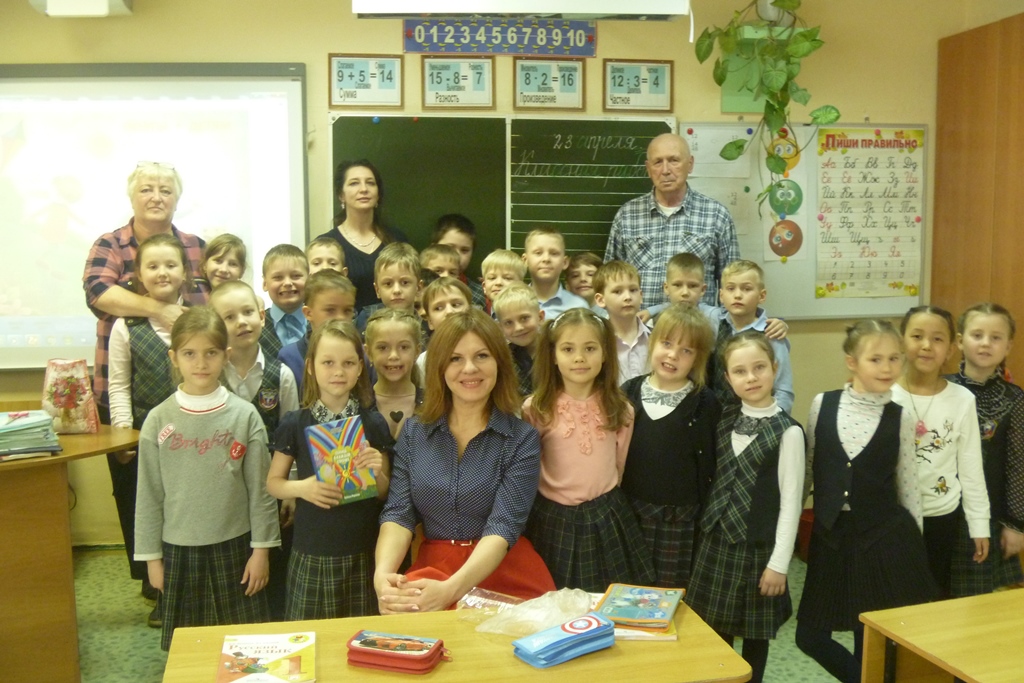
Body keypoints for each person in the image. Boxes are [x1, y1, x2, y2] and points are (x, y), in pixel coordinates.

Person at [82, 161, 206, 608]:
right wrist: (158, 309)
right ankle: (153, 583)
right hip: (127, 395)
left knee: (189, 493)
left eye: (166, 189)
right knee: (136, 494)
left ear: (177, 197)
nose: (157, 196)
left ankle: (190, 573)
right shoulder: (110, 244)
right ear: (132, 196)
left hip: (194, 396)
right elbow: (98, 292)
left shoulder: (196, 246)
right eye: (147, 189)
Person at [375, 309, 555, 612]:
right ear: (439, 367)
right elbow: (398, 513)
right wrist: (383, 576)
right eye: (455, 358)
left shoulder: (521, 438)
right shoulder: (414, 433)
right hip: (433, 571)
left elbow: (503, 526)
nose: (469, 368)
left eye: (482, 356)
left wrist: (451, 591)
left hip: (504, 570)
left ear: (499, 363)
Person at [796, 320, 937, 683]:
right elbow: (809, 469)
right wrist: (789, 528)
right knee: (809, 636)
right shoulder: (822, 404)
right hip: (830, 537)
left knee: (870, 641)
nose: (887, 367)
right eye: (876, 359)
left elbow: (908, 484)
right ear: (852, 362)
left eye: (895, 358)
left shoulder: (900, 416)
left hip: (882, 538)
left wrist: (915, 552)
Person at [134, 307, 280, 651]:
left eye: (211, 353)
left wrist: (261, 551)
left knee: (243, 648)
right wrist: (152, 560)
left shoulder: (245, 416)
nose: (201, 363)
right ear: (174, 357)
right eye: (189, 354)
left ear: (226, 356)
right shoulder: (158, 420)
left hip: (236, 548)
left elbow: (261, 492)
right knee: (191, 651)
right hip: (178, 551)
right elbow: (149, 495)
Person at [686, 331, 803, 683]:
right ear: (727, 378)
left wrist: (779, 564)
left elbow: (791, 504)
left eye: (759, 368)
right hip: (716, 542)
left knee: (754, 637)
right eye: (740, 371)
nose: (751, 378)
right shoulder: (723, 419)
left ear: (775, 368)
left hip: (758, 549)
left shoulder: (788, 432)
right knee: (714, 633)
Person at [267, 320, 394, 619]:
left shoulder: (373, 423)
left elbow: (383, 493)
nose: (338, 371)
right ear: (310, 367)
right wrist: (302, 488)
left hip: (363, 549)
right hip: (312, 548)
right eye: (328, 362)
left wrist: (377, 471)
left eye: (348, 363)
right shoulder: (295, 423)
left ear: (361, 367)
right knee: (310, 634)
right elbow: (273, 483)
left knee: (360, 634)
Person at [523, 308, 653, 592]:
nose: (579, 357)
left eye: (590, 348)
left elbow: (620, 464)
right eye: (568, 349)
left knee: (611, 596)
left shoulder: (621, 409)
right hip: (553, 519)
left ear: (605, 353)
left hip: (606, 516)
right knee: (555, 597)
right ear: (553, 355)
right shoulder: (536, 409)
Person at [106, 233, 192, 627]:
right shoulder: (126, 326)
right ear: (138, 274)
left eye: (171, 265)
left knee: (185, 513)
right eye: (152, 266)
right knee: (154, 513)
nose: (162, 272)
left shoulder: (196, 320)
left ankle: (187, 585)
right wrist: (124, 432)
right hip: (148, 440)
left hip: (194, 439)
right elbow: (119, 385)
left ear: (185, 272)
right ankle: (162, 592)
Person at [210, 279, 300, 621]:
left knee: (272, 563)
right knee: (233, 564)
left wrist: (291, 488)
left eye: (248, 312)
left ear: (262, 316)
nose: (241, 322)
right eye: (229, 317)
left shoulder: (282, 375)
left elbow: (291, 438)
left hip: (270, 488)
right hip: (224, 488)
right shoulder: (211, 374)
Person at [891, 306, 990, 596]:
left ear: (950, 348)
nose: (926, 345)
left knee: (933, 594)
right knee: (892, 596)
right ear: (901, 341)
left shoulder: (962, 399)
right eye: (917, 336)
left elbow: (971, 468)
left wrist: (979, 524)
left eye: (937, 339)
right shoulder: (885, 394)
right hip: (892, 516)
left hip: (941, 515)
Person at [620, 303, 719, 589]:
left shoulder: (705, 403)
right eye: (666, 343)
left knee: (670, 592)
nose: (673, 355)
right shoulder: (628, 393)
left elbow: (711, 463)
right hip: (631, 511)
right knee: (630, 590)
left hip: (680, 519)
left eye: (686, 350)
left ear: (698, 359)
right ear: (652, 343)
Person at [605, 133, 739, 308]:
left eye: (674, 160)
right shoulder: (627, 216)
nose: (665, 170)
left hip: (696, 324)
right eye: (657, 162)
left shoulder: (717, 215)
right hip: (640, 324)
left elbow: (732, 284)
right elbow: (609, 279)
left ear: (690, 164)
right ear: (648, 168)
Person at [946, 303, 1023, 595]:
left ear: (1008, 346)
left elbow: (1018, 465)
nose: (986, 343)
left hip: (990, 514)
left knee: (976, 602)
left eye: (996, 337)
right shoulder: (942, 388)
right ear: (959, 341)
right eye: (977, 335)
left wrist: (1015, 524)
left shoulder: (1014, 398)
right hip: (942, 510)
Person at [317, 159, 408, 314]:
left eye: (370, 183)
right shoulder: (326, 245)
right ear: (341, 195)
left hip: (395, 324)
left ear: (378, 194)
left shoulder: (397, 239)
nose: (364, 189)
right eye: (354, 183)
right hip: (344, 326)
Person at [709, 260, 795, 414]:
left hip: (760, 417)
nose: (737, 295)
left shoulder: (772, 334)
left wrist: (774, 422)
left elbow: (783, 390)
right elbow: (685, 305)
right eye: (730, 288)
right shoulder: (714, 321)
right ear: (721, 295)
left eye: (747, 289)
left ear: (761, 296)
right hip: (719, 418)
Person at [278, 269, 357, 393]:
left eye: (347, 311)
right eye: (330, 310)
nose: (341, 318)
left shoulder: (360, 354)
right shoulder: (289, 357)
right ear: (308, 313)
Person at [365, 308, 424, 439]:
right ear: (368, 353)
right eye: (383, 348)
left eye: (404, 347)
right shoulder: (359, 407)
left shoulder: (433, 405)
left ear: (417, 351)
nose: (393, 356)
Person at [593, 260, 651, 384]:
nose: (628, 297)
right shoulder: (596, 342)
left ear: (641, 296)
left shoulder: (656, 338)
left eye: (633, 290)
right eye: (617, 291)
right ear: (601, 300)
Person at [353, 242, 422, 332]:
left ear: (418, 287)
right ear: (377, 290)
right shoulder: (366, 319)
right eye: (388, 284)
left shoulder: (426, 328)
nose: (396, 290)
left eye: (405, 282)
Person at [522, 227, 589, 318]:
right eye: (538, 253)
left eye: (554, 253)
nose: (546, 259)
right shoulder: (511, 304)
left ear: (564, 262)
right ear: (525, 260)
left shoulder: (578, 307)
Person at [493, 284, 545, 396]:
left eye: (524, 318)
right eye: (508, 323)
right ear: (500, 327)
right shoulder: (503, 359)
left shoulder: (557, 350)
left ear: (540, 317)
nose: (518, 328)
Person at [259, 244, 309, 357]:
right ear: (265, 284)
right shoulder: (256, 326)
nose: (287, 283)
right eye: (278, 277)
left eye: (296, 276)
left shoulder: (320, 322)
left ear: (309, 280)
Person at [433, 213, 486, 309]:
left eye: (464, 250)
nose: (457, 256)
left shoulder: (479, 295)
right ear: (433, 248)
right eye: (449, 248)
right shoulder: (416, 289)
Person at [480, 248, 527, 316]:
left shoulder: (528, 316)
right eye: (492, 278)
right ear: (484, 286)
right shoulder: (481, 317)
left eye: (507, 278)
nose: (498, 283)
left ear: (521, 286)